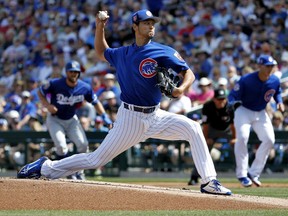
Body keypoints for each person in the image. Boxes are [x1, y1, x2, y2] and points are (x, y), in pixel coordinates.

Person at [17, 10, 231, 196]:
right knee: (95, 161)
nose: (151, 26)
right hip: (130, 118)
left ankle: (209, 181)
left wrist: (181, 89)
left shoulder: (162, 50)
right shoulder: (122, 53)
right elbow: (101, 52)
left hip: (156, 116)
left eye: (152, 23)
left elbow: (189, 73)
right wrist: (100, 26)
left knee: (193, 128)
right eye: (146, 23)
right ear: (135, 26)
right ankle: (45, 167)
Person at [31, 60, 112, 180]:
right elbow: (40, 91)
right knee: (61, 147)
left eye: (76, 72)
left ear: (79, 73)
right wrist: (47, 105)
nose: (73, 74)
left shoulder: (84, 87)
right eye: (71, 72)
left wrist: (105, 116)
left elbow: (95, 102)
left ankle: (79, 172)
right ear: (66, 72)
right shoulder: (56, 83)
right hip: (55, 119)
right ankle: (65, 173)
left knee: (83, 145)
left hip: (72, 119)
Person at [228, 54, 285, 187]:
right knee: (242, 138)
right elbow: (232, 95)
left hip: (261, 112)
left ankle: (253, 173)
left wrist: (279, 102)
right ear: (260, 66)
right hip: (244, 111)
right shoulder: (246, 80)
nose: (270, 68)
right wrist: (231, 103)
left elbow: (277, 91)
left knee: (270, 139)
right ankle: (242, 174)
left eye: (272, 66)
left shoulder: (275, 80)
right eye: (267, 66)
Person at [188, 88, 236, 185]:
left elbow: (233, 125)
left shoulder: (230, 107)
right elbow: (206, 125)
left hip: (227, 130)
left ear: (226, 99)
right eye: (219, 99)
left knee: (239, 147)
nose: (221, 101)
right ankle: (194, 177)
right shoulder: (208, 106)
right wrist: (206, 138)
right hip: (212, 130)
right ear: (214, 99)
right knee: (203, 151)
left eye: (223, 99)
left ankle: (245, 174)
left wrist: (234, 138)